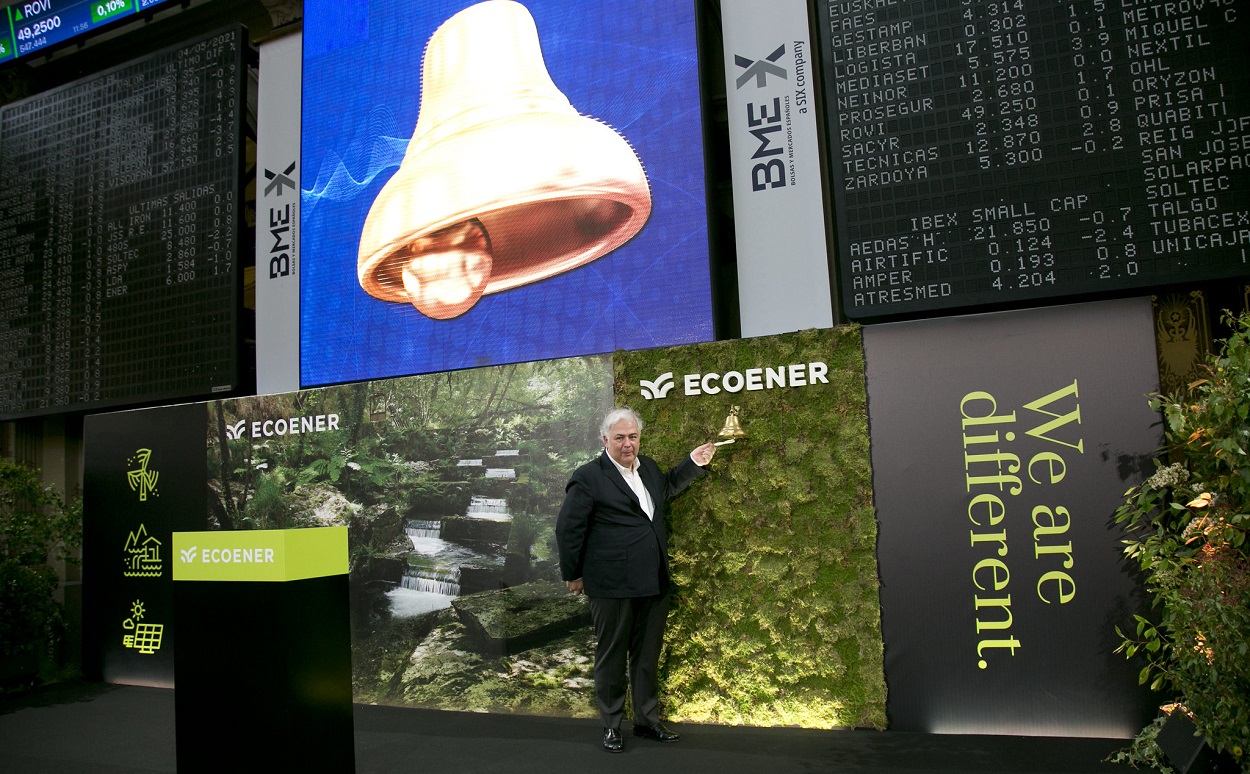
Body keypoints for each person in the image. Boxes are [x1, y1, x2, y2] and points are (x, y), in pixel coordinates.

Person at [555, 407, 717, 753]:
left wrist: (694, 461)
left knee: (646, 658)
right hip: (611, 586)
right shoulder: (588, 476)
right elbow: (569, 529)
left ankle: (646, 721)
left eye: (633, 437)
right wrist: (573, 573)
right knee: (612, 659)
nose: (627, 445)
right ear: (605, 440)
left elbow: (669, 487)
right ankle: (612, 726)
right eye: (620, 438)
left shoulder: (650, 468)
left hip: (653, 582)